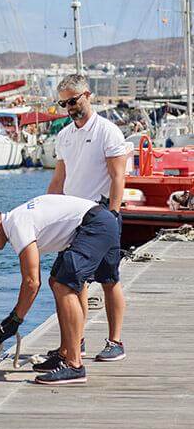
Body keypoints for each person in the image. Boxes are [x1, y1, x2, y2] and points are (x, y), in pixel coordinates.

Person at [0, 196, 121, 386]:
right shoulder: (18, 218)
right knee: (56, 279)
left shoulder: (17, 225)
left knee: (64, 286)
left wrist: (15, 319)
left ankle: (74, 365)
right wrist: (16, 317)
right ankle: (66, 353)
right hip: (101, 222)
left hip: (95, 225)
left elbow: (32, 282)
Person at [47, 73, 128, 364]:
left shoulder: (108, 131)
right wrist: (47, 209)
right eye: (64, 103)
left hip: (102, 215)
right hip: (71, 217)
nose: (70, 107)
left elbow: (118, 176)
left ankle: (115, 341)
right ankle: (76, 341)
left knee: (109, 279)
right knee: (74, 281)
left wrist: (114, 215)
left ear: (88, 95)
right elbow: (59, 178)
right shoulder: (64, 135)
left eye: (74, 100)